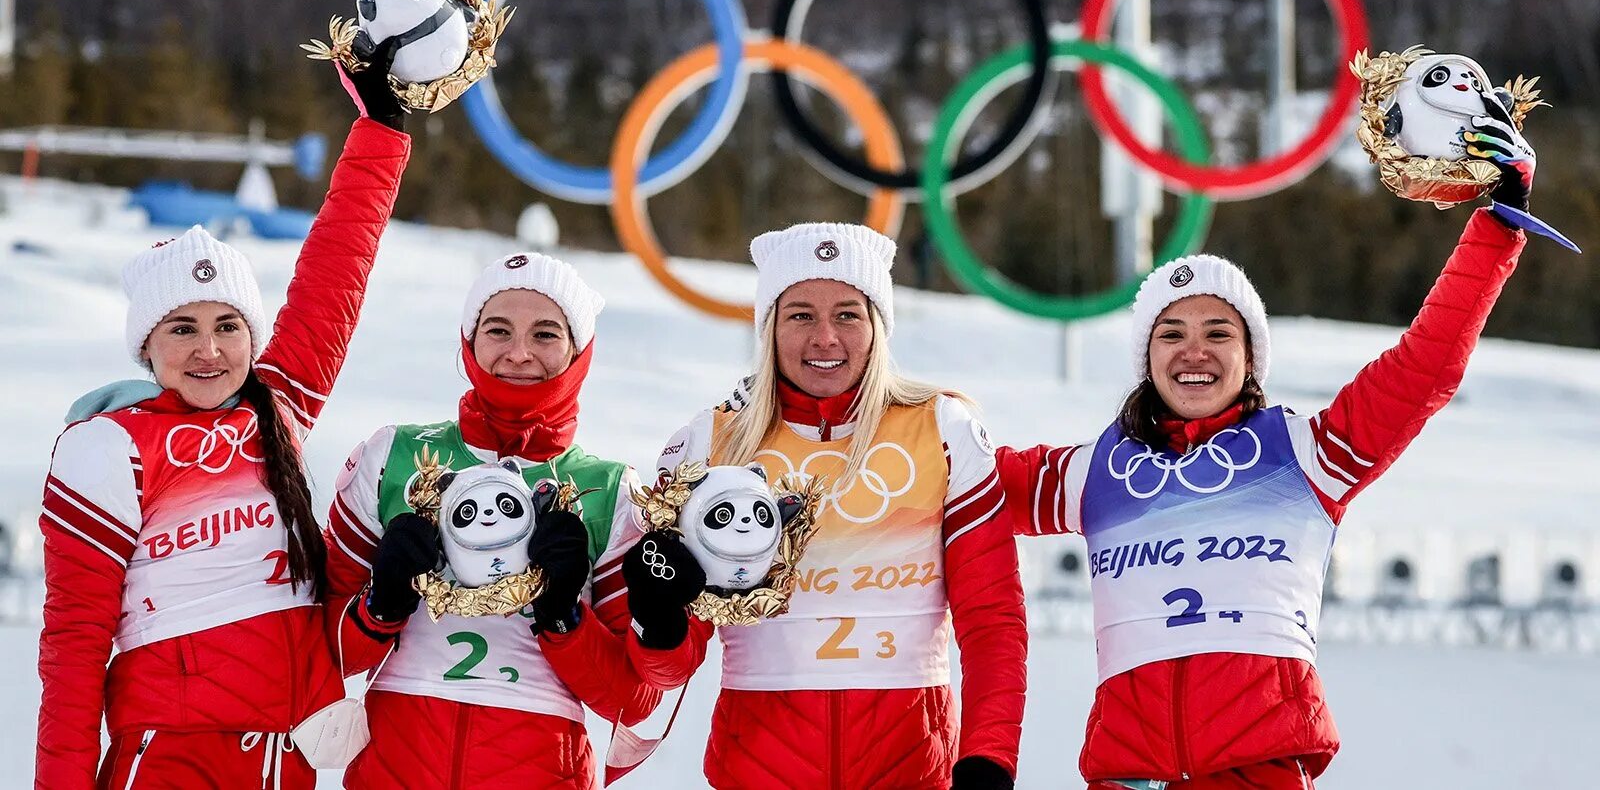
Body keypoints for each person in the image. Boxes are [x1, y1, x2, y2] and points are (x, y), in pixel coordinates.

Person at [993, 111, 1536, 788]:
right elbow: (943, 477)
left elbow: (1425, 366)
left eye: (1218, 332)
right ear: (1146, 358)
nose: (1195, 351)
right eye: (1172, 334)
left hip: (1260, 773)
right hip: (1127, 776)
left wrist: (1499, 226)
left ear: (1250, 357)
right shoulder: (1092, 471)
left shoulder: (1310, 453)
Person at [37, 43, 412, 788]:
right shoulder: (107, 447)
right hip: (168, 763)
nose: (208, 350)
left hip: (286, 764)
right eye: (182, 329)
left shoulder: (280, 406)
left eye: (228, 326)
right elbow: (75, 650)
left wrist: (382, 129)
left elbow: (336, 271)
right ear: (148, 345)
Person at [624, 223, 1028, 790]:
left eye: (847, 314)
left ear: (877, 327)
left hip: (911, 766)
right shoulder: (707, 447)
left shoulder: (941, 428)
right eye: (800, 315)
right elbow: (668, 668)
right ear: (768, 328)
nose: (824, 338)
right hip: (758, 766)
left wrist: (988, 757)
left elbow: (992, 620)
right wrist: (662, 623)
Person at [323, 252, 662, 789]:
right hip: (396, 766)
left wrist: (565, 619)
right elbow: (318, 653)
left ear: (579, 350)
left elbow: (635, 699)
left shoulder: (613, 490)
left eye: (546, 334)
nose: (519, 353)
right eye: (498, 329)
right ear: (469, 341)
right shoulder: (393, 457)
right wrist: (379, 606)